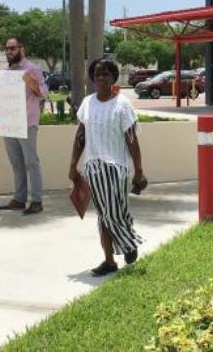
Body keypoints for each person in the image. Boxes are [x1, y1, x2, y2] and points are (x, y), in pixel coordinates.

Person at [69, 58, 147, 276]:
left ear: (113, 77)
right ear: (93, 78)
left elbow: (132, 139)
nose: (101, 77)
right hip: (93, 167)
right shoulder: (88, 103)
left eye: (106, 74)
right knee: (103, 215)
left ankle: (129, 242)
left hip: (116, 167)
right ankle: (109, 260)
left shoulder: (122, 104)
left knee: (114, 211)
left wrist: (138, 170)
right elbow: (81, 135)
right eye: (97, 74)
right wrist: (73, 164)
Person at [0, 37, 48, 215]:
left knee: (31, 163)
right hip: (10, 124)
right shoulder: (4, 72)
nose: (9, 51)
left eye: (13, 48)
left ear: (21, 49)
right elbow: (3, 99)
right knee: (16, 163)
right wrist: (0, 119)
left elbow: (43, 93)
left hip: (27, 123)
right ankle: (19, 199)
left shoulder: (32, 69)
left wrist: (30, 82)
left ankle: (37, 201)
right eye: (7, 49)